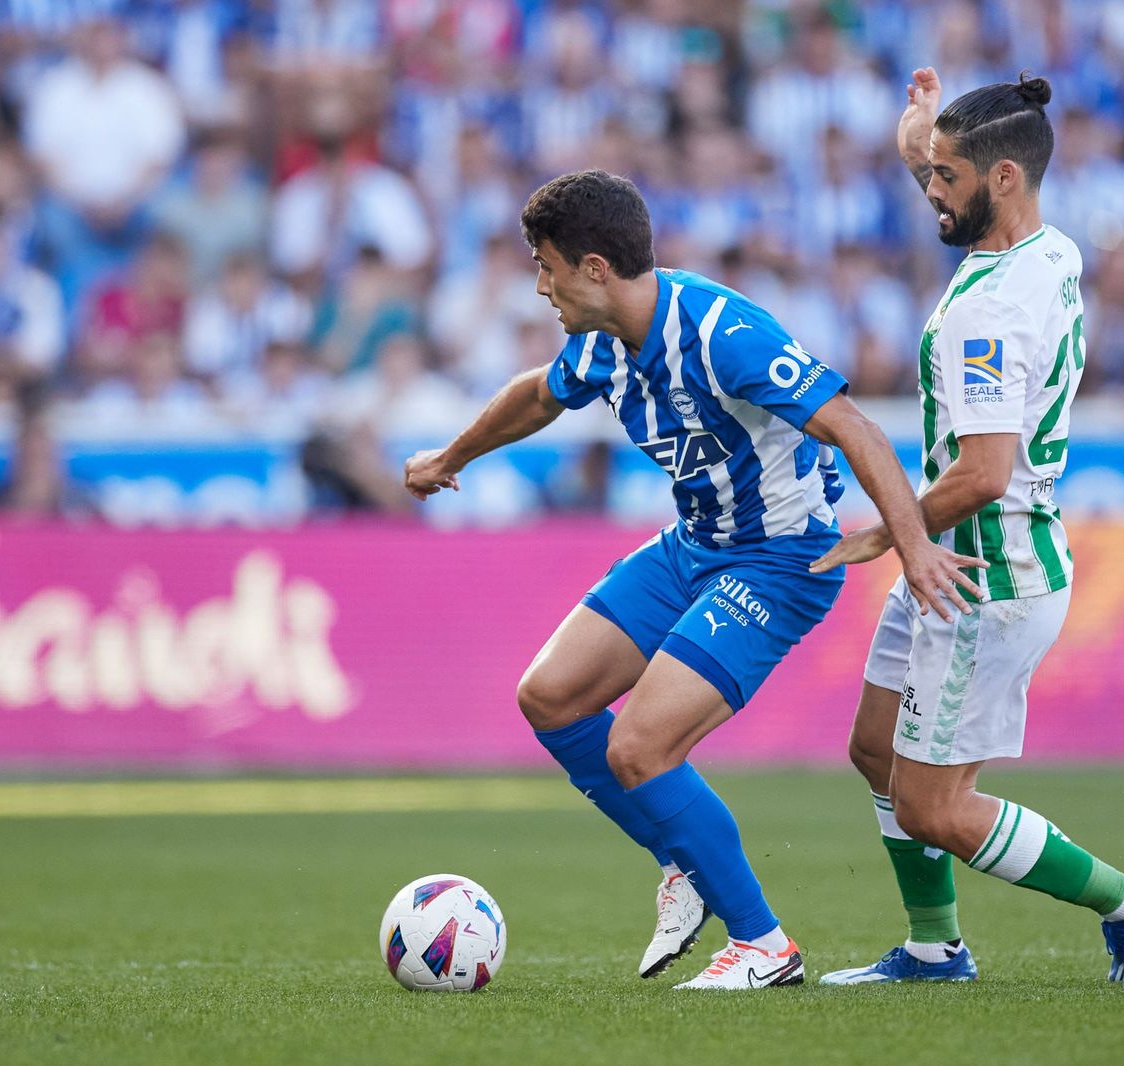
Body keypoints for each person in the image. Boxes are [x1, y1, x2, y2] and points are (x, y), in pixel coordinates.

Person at [403, 170, 981, 990]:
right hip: (696, 543)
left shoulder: (721, 333)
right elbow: (539, 396)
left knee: (640, 745)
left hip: (781, 560)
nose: (540, 285)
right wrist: (450, 457)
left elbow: (851, 423)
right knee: (551, 695)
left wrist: (912, 545)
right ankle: (685, 864)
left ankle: (763, 946)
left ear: (595, 268)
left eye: (547, 266)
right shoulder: (603, 339)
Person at [815, 70, 1124, 988]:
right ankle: (935, 950)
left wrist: (887, 530)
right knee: (874, 752)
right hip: (953, 566)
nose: (929, 192)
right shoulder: (1051, 249)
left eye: (943, 177)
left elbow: (983, 472)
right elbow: (961, 184)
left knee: (935, 807)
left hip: (984, 578)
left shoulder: (986, 309)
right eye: (930, 171)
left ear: (1004, 177)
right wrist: (917, 134)